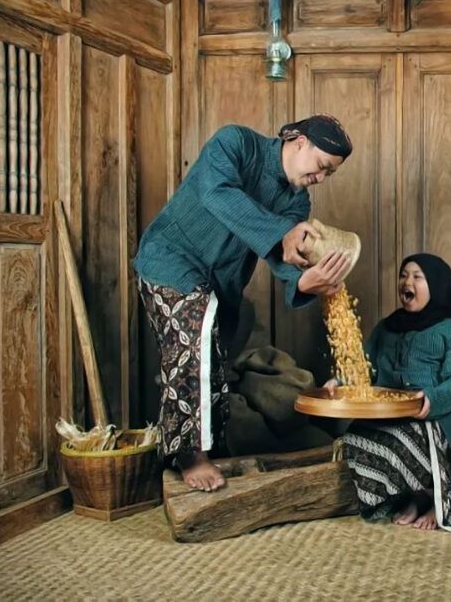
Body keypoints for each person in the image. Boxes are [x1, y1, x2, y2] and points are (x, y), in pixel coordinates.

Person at [135, 115, 354, 492]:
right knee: (194, 333)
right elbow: (216, 193)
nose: (320, 178)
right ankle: (189, 454)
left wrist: (305, 280)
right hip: (168, 259)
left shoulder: (297, 203)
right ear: (299, 141)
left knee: (213, 360)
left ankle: (211, 447)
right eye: (321, 166)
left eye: (328, 174)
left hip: (219, 290)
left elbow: (284, 256)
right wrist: (282, 231)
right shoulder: (235, 143)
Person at [328, 254, 451, 532]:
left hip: (432, 415)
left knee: (400, 440)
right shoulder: (386, 327)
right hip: (387, 413)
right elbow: (364, 367)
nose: (407, 281)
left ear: (436, 286)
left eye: (417, 277)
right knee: (355, 436)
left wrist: (432, 398)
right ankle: (408, 497)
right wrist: (340, 381)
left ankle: (434, 500)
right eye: (403, 275)